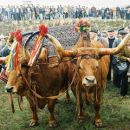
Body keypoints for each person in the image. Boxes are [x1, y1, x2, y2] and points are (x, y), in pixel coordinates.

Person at [113, 29, 130, 98]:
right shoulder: (123, 47)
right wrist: (127, 59)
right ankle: (123, 93)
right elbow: (119, 56)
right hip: (125, 65)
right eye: (128, 40)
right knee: (124, 79)